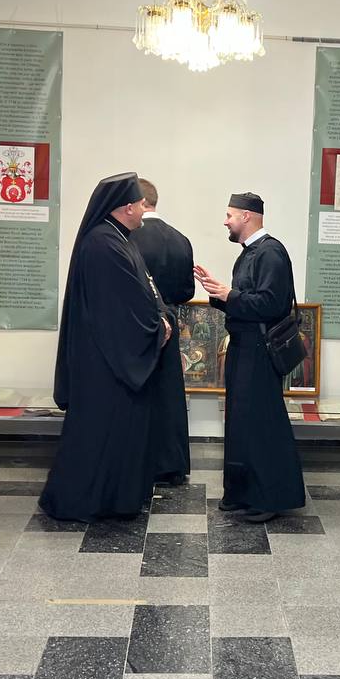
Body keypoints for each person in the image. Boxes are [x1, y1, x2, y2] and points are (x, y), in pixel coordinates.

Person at [41, 173, 168, 521]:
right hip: (105, 363)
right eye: (140, 204)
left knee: (116, 434)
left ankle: (115, 499)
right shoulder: (103, 244)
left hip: (112, 359)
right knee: (99, 435)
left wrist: (159, 318)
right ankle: (85, 502)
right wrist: (158, 327)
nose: (144, 210)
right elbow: (120, 308)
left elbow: (145, 290)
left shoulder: (119, 238)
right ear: (126, 207)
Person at [195, 192, 306, 523]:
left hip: (259, 352)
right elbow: (246, 301)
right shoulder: (249, 253)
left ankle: (267, 498)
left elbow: (271, 304)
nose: (225, 221)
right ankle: (241, 494)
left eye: (229, 215)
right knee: (241, 424)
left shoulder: (270, 253)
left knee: (260, 425)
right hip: (244, 348)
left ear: (247, 216)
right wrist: (219, 293)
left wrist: (230, 294)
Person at [131, 177, 195, 487]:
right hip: (170, 319)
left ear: (139, 202)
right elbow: (187, 291)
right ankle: (172, 465)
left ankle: (141, 461)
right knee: (170, 394)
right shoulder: (180, 239)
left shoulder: (128, 237)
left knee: (140, 393)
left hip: (137, 326)